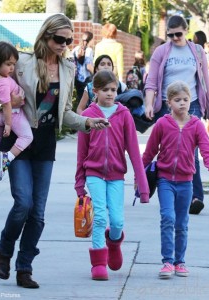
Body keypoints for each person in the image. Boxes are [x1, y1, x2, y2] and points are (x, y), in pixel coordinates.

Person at [0, 14, 110, 289]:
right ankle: (5, 250)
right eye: (58, 39)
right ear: (45, 36)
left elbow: (64, 113)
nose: (64, 44)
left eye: (68, 40)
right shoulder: (23, 62)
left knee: (38, 213)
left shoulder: (68, 68)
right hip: (17, 138)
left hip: (45, 144)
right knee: (23, 203)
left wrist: (87, 122)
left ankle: (24, 267)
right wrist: (5, 101)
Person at [75, 69, 149, 281]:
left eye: (113, 89)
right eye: (105, 90)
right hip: (94, 173)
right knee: (99, 217)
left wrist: (142, 186)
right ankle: (98, 263)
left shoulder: (123, 115)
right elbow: (81, 153)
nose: (110, 93)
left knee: (116, 221)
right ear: (95, 91)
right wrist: (79, 182)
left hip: (116, 174)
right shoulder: (88, 116)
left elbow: (134, 152)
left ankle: (114, 243)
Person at [142, 81, 209, 279]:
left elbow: (207, 151)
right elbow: (149, 152)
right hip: (165, 180)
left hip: (186, 182)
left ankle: (180, 262)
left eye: (186, 100)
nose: (182, 103)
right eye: (177, 100)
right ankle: (167, 262)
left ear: (190, 100)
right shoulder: (162, 124)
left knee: (182, 223)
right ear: (169, 102)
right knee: (168, 218)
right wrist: (140, 176)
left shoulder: (196, 126)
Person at [144, 15, 209, 215]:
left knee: (191, 152)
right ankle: (168, 191)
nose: (175, 38)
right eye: (171, 35)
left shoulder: (198, 51)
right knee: (166, 150)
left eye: (178, 34)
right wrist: (149, 104)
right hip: (167, 105)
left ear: (186, 31)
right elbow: (151, 82)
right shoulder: (161, 51)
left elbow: (204, 82)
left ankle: (195, 196)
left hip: (190, 104)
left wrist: (208, 107)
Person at [0, 41, 33, 181]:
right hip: (12, 115)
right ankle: (6, 158)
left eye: (14, 64)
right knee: (27, 137)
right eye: (8, 64)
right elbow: (7, 105)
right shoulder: (4, 84)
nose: (12, 68)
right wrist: (8, 124)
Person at [72, 31, 94, 101]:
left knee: (80, 101)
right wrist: (97, 73)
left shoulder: (75, 49)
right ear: (90, 40)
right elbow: (88, 66)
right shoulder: (89, 50)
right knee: (87, 102)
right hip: (86, 80)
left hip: (77, 80)